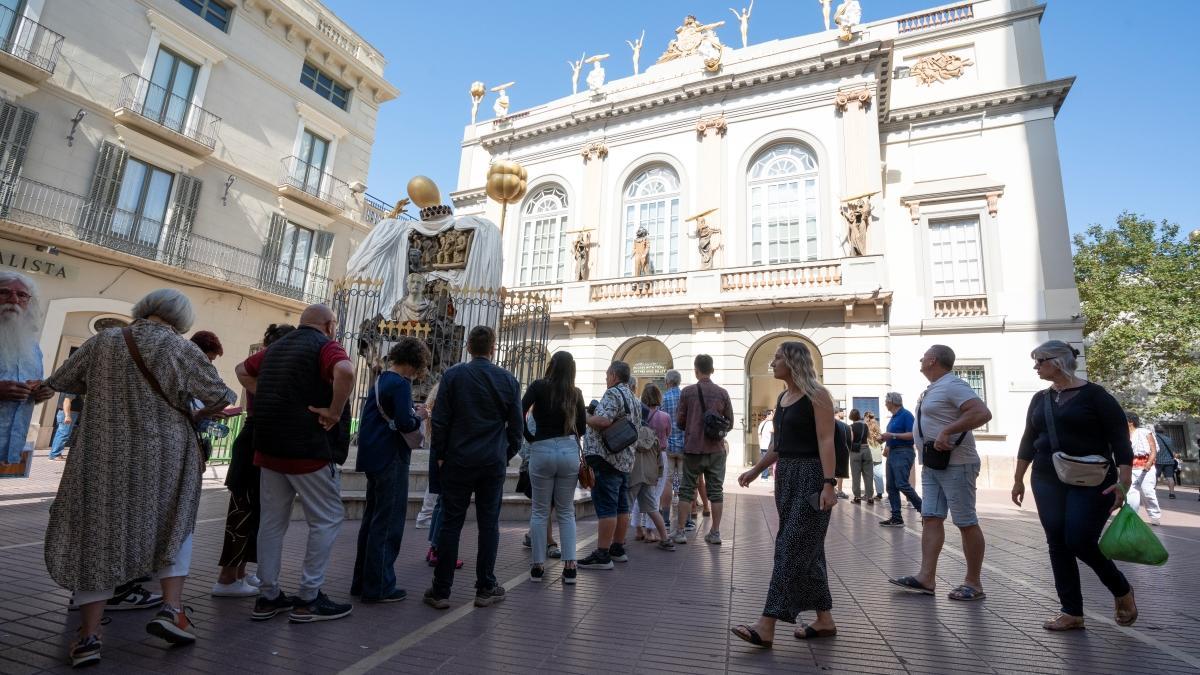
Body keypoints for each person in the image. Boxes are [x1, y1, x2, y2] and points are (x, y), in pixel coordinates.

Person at [43, 289, 236, 667]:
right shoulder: (182, 349)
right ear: (182, 319)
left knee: (97, 533)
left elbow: (63, 380)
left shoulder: (104, 340)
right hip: (164, 453)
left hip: (102, 452)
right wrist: (193, 413)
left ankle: (88, 637)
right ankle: (171, 608)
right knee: (173, 523)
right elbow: (218, 396)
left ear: (143, 309)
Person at [1013, 340, 1136, 631]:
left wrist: (1124, 480)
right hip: (1046, 477)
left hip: (1093, 478)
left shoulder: (1096, 396)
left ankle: (1120, 588)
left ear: (1057, 362)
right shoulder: (1040, 398)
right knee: (1057, 543)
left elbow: (1120, 440)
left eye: (1039, 361)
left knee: (1079, 539)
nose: (1035, 367)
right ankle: (1071, 612)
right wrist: (1018, 478)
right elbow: (1029, 439)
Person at [248, 304, 355, 623]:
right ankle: (308, 598)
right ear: (329, 324)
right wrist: (334, 412)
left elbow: (243, 370)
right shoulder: (326, 345)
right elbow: (346, 371)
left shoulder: (276, 347)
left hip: (268, 448)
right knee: (326, 519)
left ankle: (267, 596)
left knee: (271, 522)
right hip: (307, 449)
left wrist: (273, 396)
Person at [731, 340, 838, 648]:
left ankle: (766, 624)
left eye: (777, 358)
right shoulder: (784, 397)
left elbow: (826, 440)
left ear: (793, 362)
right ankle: (824, 620)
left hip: (812, 476)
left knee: (790, 548)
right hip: (786, 476)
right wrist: (755, 469)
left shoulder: (817, 395)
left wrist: (829, 484)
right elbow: (779, 444)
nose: (772, 363)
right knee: (810, 549)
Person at [424, 326, 521, 609]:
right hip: (491, 461)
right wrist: (505, 453)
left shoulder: (453, 376)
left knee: (451, 523)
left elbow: (440, 419)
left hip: (457, 459)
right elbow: (517, 427)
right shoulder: (508, 380)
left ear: (468, 346)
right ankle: (485, 586)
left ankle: (441, 590)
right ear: (493, 348)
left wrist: (440, 455)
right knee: (488, 524)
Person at [888, 345, 993, 600]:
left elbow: (982, 413)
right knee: (931, 517)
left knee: (965, 521)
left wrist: (948, 431)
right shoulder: (933, 388)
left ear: (933, 360)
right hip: (934, 465)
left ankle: (973, 583)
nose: (920, 359)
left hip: (957, 464)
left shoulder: (953, 385)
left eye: (923, 356)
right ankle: (926, 577)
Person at [213, 324, 294, 598]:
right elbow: (240, 370)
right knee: (243, 510)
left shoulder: (267, 365)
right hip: (253, 442)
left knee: (252, 510)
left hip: (256, 440)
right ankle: (226, 578)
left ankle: (239, 574)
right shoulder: (266, 363)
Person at [351, 338, 430, 602]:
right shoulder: (400, 384)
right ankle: (380, 586)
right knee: (388, 523)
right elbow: (405, 423)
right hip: (391, 457)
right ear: (414, 362)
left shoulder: (381, 380)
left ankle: (362, 581)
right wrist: (420, 415)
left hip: (373, 455)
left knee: (371, 520)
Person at [522, 351, 586, 584]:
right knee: (566, 511)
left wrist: (528, 435)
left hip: (542, 449)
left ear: (551, 365)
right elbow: (582, 428)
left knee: (540, 511)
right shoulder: (575, 393)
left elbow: (520, 409)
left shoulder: (538, 386)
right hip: (568, 450)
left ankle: (537, 566)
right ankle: (570, 567)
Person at [580, 360, 640, 569]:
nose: (606, 379)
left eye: (607, 375)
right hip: (624, 460)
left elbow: (604, 421)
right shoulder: (633, 397)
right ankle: (617, 548)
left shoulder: (614, 393)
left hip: (607, 459)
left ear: (614, 375)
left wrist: (587, 416)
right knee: (621, 506)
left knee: (607, 507)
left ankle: (602, 554)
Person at [673, 354, 734, 546]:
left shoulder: (688, 392)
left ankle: (681, 531)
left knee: (686, 490)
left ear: (696, 370)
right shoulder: (722, 393)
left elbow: (680, 421)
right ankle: (715, 533)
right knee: (716, 491)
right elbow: (730, 422)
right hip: (716, 449)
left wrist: (693, 426)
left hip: (693, 448)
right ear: (712, 370)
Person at [1, 272, 55, 467]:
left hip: (8, 447)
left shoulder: (32, 347)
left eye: (22, 295)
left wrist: (41, 392)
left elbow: (32, 389)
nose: (14, 299)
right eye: (4, 292)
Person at [422, 382, 464, 571]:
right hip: (447, 455)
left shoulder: (436, 401)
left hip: (438, 452)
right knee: (447, 504)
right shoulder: (448, 402)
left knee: (441, 502)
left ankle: (434, 547)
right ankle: (439, 550)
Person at [631, 383, 675, 550]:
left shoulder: (638, 415)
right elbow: (667, 434)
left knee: (636, 492)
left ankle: (638, 529)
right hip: (658, 456)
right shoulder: (664, 417)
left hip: (639, 456)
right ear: (658, 397)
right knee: (654, 494)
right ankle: (651, 531)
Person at [879, 392, 922, 527]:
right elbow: (892, 436)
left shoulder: (906, 415)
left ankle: (924, 510)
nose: (885, 403)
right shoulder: (893, 417)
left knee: (902, 484)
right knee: (891, 486)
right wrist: (886, 443)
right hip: (893, 453)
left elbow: (913, 435)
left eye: (886, 401)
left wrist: (891, 435)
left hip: (903, 452)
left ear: (892, 402)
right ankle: (896, 517)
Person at [660, 369, 685, 530]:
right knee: (684, 482)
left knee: (667, 481)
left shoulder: (663, 398)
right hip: (684, 446)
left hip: (668, 445)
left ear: (667, 382)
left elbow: (660, 421)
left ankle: (666, 519)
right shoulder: (685, 397)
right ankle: (686, 521)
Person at [1126, 412, 1161, 526]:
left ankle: (1155, 516)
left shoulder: (1145, 432)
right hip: (1130, 467)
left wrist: (1149, 462)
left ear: (1130, 421)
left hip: (1146, 468)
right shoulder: (1123, 434)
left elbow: (1153, 449)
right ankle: (1132, 516)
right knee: (1131, 493)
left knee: (1148, 493)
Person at [847, 409, 873, 503]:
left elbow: (851, 439)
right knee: (868, 475)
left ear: (851, 417)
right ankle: (870, 497)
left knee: (856, 475)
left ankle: (857, 497)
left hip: (855, 452)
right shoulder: (865, 426)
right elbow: (869, 437)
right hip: (866, 450)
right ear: (859, 416)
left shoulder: (850, 427)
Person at [48, 392, 81, 461]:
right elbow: (67, 401)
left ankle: (54, 454)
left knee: (61, 433)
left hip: (66, 412)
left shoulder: (68, 387)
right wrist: (67, 416)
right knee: (63, 434)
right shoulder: (73, 388)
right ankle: (55, 455)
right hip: (69, 413)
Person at [1153, 424, 1178, 499]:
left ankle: (1152, 493)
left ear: (1155, 430)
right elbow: (1173, 452)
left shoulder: (1154, 438)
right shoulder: (1169, 439)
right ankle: (1172, 494)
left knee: (1155, 477)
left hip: (1158, 461)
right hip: (1169, 461)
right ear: (1163, 431)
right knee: (1170, 477)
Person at [865, 412, 885, 499]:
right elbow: (881, 440)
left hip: (869, 452)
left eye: (864, 417)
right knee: (878, 474)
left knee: (868, 474)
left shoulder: (866, 427)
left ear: (867, 417)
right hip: (877, 453)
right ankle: (880, 493)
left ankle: (868, 493)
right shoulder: (877, 426)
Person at [833, 408, 851, 498]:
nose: (844, 414)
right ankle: (839, 491)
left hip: (831, 451)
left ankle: (833, 490)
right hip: (842, 452)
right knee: (840, 472)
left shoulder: (827, 424)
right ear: (838, 413)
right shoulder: (845, 426)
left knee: (832, 471)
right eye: (842, 413)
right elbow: (849, 441)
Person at [757, 409, 775, 480]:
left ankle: (764, 475)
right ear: (768, 415)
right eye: (771, 414)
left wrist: (760, 445)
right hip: (769, 445)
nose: (772, 415)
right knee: (767, 462)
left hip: (763, 445)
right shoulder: (771, 424)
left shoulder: (762, 423)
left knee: (763, 460)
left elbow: (759, 435)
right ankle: (764, 476)